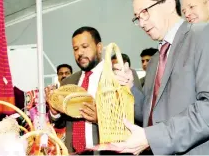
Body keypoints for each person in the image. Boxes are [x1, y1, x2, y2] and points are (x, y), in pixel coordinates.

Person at [108, 0, 209, 155]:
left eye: (145, 12)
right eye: (137, 18)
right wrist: (130, 87)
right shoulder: (155, 60)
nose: (141, 22)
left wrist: (152, 137)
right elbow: (151, 116)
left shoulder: (205, 34)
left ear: (169, 4)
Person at [47, 27, 142, 155]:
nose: (80, 52)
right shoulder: (67, 83)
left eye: (85, 46)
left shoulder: (120, 75)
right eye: (75, 49)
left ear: (99, 47)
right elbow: (60, 123)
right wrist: (54, 112)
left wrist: (101, 119)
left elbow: (137, 118)